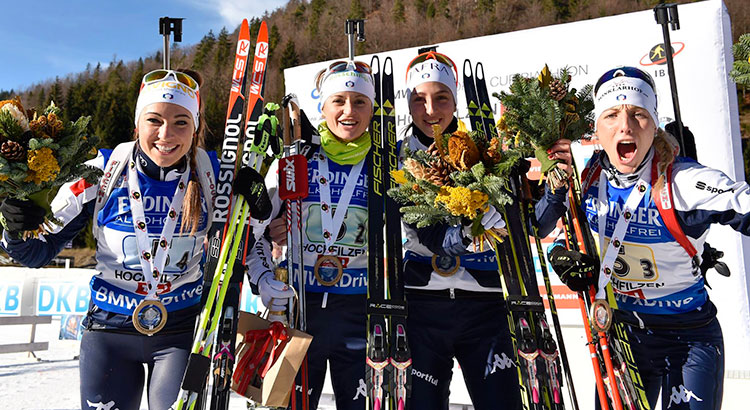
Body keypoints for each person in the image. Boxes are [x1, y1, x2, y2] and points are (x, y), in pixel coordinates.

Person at [0, 69, 269, 410]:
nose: (166, 134)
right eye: (154, 120)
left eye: (181, 122)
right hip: (109, 332)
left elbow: (242, 247)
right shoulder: (101, 170)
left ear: (196, 127)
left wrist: (259, 210)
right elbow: (35, 253)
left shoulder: (215, 173)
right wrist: (14, 222)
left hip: (180, 333)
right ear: (138, 123)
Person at [536, 66, 747, 410]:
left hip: (689, 335)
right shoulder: (587, 178)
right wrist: (562, 256)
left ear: (654, 123)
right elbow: (546, 229)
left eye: (638, 114)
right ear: (597, 128)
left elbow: (743, 204)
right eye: (611, 115)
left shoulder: (683, 182)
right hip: (623, 336)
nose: (625, 125)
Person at [247, 60, 376, 410]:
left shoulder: (381, 165)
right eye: (339, 101)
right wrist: (262, 279)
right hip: (300, 311)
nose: (349, 111)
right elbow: (254, 230)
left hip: (359, 315)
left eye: (360, 101)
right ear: (323, 106)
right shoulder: (294, 158)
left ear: (372, 108)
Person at [398, 50, 521, 410]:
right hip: (422, 305)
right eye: (419, 99)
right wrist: (465, 231)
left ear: (456, 101)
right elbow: (427, 236)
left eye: (441, 98)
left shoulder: (485, 151)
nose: (430, 110)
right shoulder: (399, 159)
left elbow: (529, 223)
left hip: (485, 305)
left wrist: (553, 191)